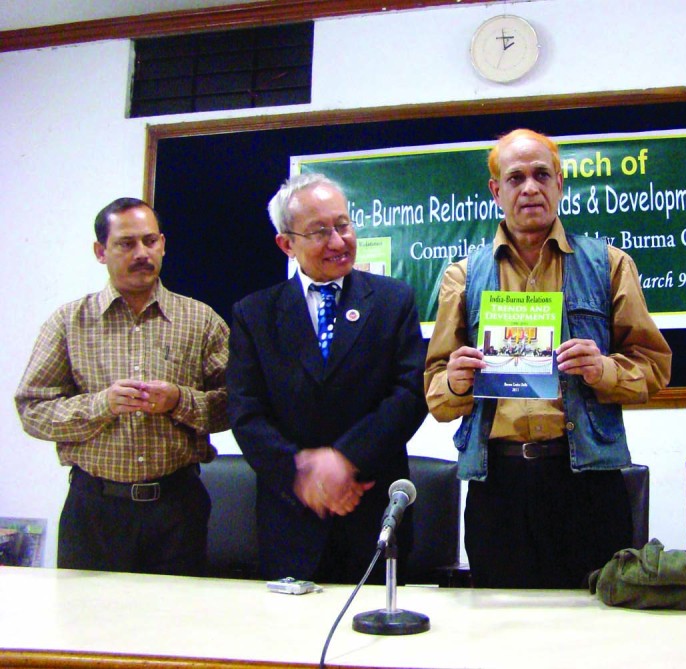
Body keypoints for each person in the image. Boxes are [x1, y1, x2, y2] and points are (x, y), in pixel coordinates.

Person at [424, 128, 673, 589]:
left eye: (542, 174)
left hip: (586, 484)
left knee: (595, 638)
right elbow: (436, 392)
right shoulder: (463, 276)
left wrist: (605, 370)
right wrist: (457, 381)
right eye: (516, 178)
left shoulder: (610, 264)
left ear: (561, 183)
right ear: (496, 191)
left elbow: (654, 366)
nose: (531, 188)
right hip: (497, 486)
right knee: (501, 635)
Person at [227, 173, 427, 583]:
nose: (338, 241)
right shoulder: (254, 314)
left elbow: (410, 394)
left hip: (373, 510)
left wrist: (344, 461)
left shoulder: (393, 300)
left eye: (343, 225)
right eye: (320, 232)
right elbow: (245, 412)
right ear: (287, 243)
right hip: (291, 516)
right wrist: (303, 474)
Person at [14, 197, 230, 576]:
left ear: (163, 244)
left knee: (174, 628)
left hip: (177, 508)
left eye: (150, 241)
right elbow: (33, 410)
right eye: (126, 243)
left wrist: (180, 401)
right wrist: (102, 405)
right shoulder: (68, 323)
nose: (142, 253)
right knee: (86, 629)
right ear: (101, 251)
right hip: (94, 509)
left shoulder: (201, 320)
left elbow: (237, 404)